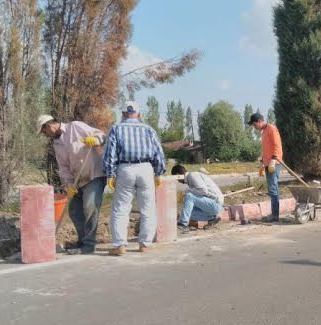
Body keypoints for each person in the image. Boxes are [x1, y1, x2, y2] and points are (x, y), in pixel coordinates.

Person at [102, 101, 166, 256]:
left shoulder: (116, 129)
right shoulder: (149, 130)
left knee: (121, 208)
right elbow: (158, 153)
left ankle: (120, 245)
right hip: (145, 168)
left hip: (125, 168)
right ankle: (145, 244)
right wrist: (159, 173)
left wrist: (110, 174)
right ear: (139, 114)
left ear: (123, 114)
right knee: (148, 208)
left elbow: (110, 154)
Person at [37, 114, 106, 254]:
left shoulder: (75, 126)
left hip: (94, 175)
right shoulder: (57, 144)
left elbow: (102, 135)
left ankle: (89, 245)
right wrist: (68, 185)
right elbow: (63, 167)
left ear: (49, 126)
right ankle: (82, 241)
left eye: (44, 132)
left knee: (90, 208)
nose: (45, 135)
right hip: (77, 181)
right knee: (74, 211)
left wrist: (96, 139)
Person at [248, 112, 283, 222]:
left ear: (259, 121)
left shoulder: (271, 128)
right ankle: (274, 214)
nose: (254, 128)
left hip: (274, 163)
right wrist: (263, 163)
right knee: (272, 189)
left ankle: (275, 215)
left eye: (254, 125)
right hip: (268, 164)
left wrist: (273, 160)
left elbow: (277, 145)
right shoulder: (264, 132)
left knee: (273, 189)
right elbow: (267, 149)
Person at [171, 164, 223, 231]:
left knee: (189, 195)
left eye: (176, 178)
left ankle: (183, 224)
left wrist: (186, 191)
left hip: (215, 203)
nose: (178, 181)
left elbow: (203, 190)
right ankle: (213, 218)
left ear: (178, 175)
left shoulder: (192, 175)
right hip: (211, 206)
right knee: (187, 212)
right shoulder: (190, 179)